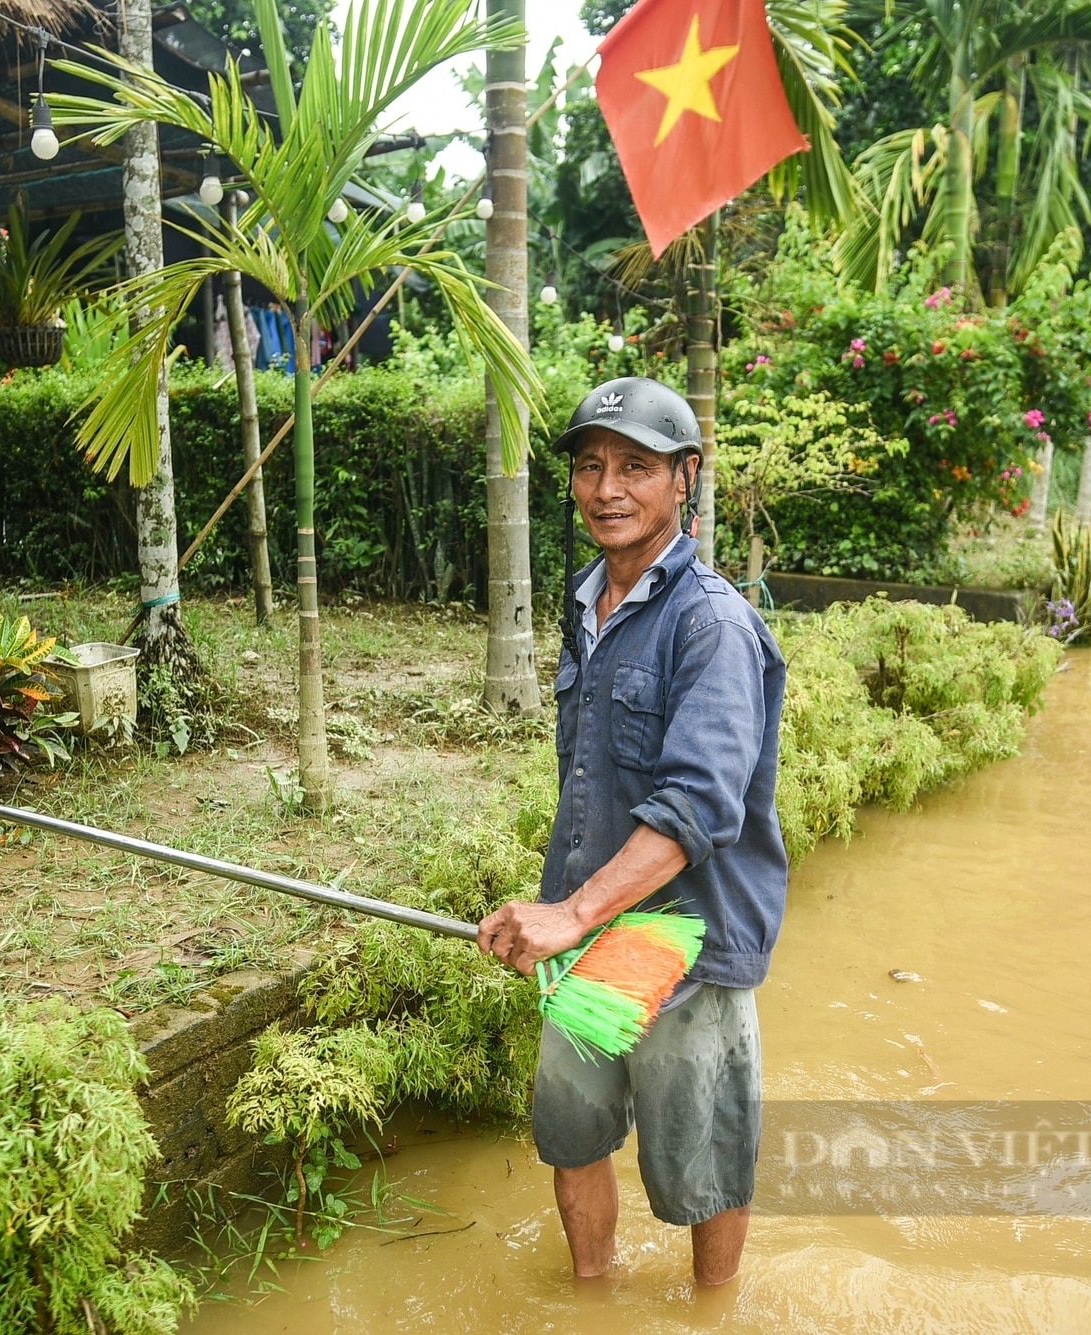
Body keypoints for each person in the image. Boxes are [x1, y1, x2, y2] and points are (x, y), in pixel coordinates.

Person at [477, 376, 788, 1287]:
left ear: (685, 478)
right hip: (590, 939)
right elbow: (593, 779)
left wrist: (568, 912)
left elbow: (696, 806)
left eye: (637, 468)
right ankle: (591, 1294)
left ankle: (711, 1309)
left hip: (686, 946)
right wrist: (558, 912)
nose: (607, 488)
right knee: (571, 1132)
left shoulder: (713, 624)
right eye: (590, 466)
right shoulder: (585, 606)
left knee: (704, 1159)